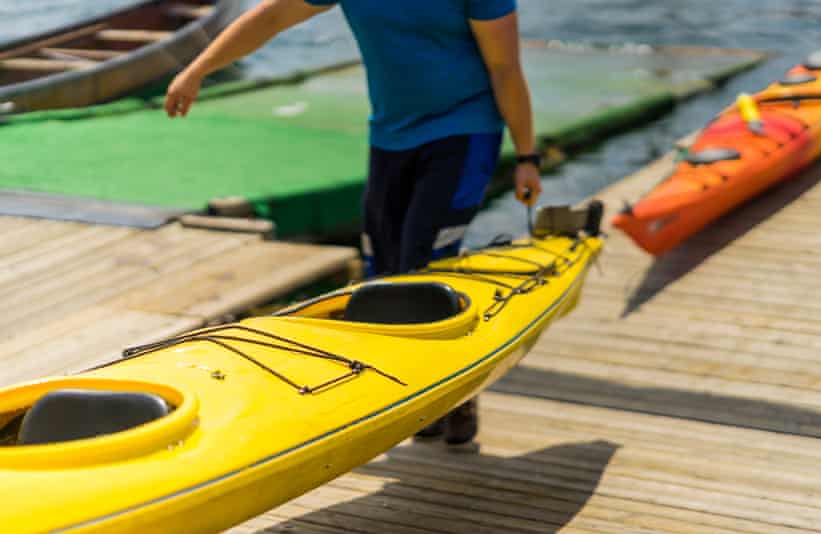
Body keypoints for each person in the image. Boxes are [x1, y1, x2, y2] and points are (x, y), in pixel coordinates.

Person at [165, 0, 542, 446]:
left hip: (465, 128)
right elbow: (272, 16)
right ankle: (418, 393)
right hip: (391, 135)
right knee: (382, 273)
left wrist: (526, 156)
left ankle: (454, 394)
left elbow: (504, 67)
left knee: (426, 262)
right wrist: (198, 69)